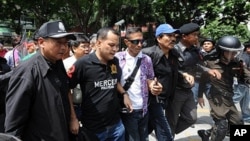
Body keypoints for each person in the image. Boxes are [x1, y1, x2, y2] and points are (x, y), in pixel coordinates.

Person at [4, 20, 76, 141]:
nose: (64, 47)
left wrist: (73, 118)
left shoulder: (58, 63)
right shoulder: (27, 71)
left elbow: (65, 92)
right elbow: (14, 123)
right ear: (41, 42)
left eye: (66, 43)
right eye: (58, 43)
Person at [67, 27, 125, 141]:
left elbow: (114, 81)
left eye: (117, 46)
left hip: (116, 127)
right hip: (94, 130)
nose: (115, 49)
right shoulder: (82, 64)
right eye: (111, 45)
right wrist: (73, 118)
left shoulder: (114, 61)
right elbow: (66, 89)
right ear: (98, 43)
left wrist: (124, 94)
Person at [165, 22, 221, 137]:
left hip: (189, 90)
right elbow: (169, 68)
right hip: (175, 91)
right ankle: (168, 134)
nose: (197, 37)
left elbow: (197, 65)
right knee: (172, 120)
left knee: (191, 118)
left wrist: (207, 70)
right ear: (184, 36)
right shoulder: (173, 50)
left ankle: (166, 132)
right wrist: (183, 74)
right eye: (194, 35)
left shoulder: (194, 50)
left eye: (197, 35)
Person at [142, 23, 192, 141]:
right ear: (159, 38)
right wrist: (149, 85)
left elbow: (173, 71)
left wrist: (184, 74)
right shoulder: (148, 54)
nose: (173, 39)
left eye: (174, 36)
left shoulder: (174, 54)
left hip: (166, 99)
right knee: (165, 133)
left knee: (146, 129)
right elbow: (139, 75)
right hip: (152, 100)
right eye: (169, 36)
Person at [197, 36, 249, 141]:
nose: (232, 55)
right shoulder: (211, 63)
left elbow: (247, 75)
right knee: (221, 123)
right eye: (229, 52)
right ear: (221, 51)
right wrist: (200, 96)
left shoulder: (237, 63)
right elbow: (202, 79)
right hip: (216, 96)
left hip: (229, 96)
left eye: (234, 52)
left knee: (238, 123)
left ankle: (206, 133)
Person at [115, 27, 162, 141]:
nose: (140, 45)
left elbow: (150, 78)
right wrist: (124, 94)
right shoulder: (117, 58)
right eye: (136, 42)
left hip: (144, 109)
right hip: (127, 110)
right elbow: (113, 81)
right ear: (126, 42)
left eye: (142, 41)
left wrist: (154, 86)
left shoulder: (146, 59)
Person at [232, 41, 250, 124]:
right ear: (248, 48)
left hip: (245, 83)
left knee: (245, 101)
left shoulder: (247, 56)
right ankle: (224, 113)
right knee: (235, 99)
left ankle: (246, 117)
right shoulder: (244, 57)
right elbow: (244, 71)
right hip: (242, 82)